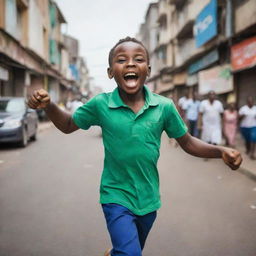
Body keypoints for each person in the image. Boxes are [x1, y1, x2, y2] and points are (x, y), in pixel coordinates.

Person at [27, 37, 242, 256]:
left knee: (131, 248)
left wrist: (220, 151)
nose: (130, 64)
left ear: (147, 70)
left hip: (148, 198)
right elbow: (68, 124)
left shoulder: (164, 107)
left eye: (138, 59)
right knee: (130, 254)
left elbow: (187, 142)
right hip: (115, 195)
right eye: (122, 60)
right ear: (111, 72)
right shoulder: (101, 104)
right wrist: (50, 105)